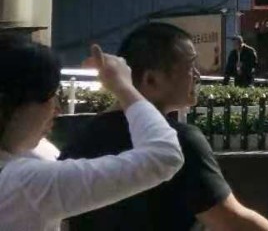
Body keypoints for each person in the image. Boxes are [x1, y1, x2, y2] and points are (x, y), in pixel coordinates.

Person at [62, 23, 268, 231]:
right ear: (150, 80)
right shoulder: (179, 140)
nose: (197, 75)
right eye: (190, 66)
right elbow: (231, 222)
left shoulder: (79, 139)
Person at [0, 35, 182, 231]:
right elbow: (164, 156)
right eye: (50, 96)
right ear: (11, 106)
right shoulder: (26, 184)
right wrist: (124, 87)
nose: (56, 109)